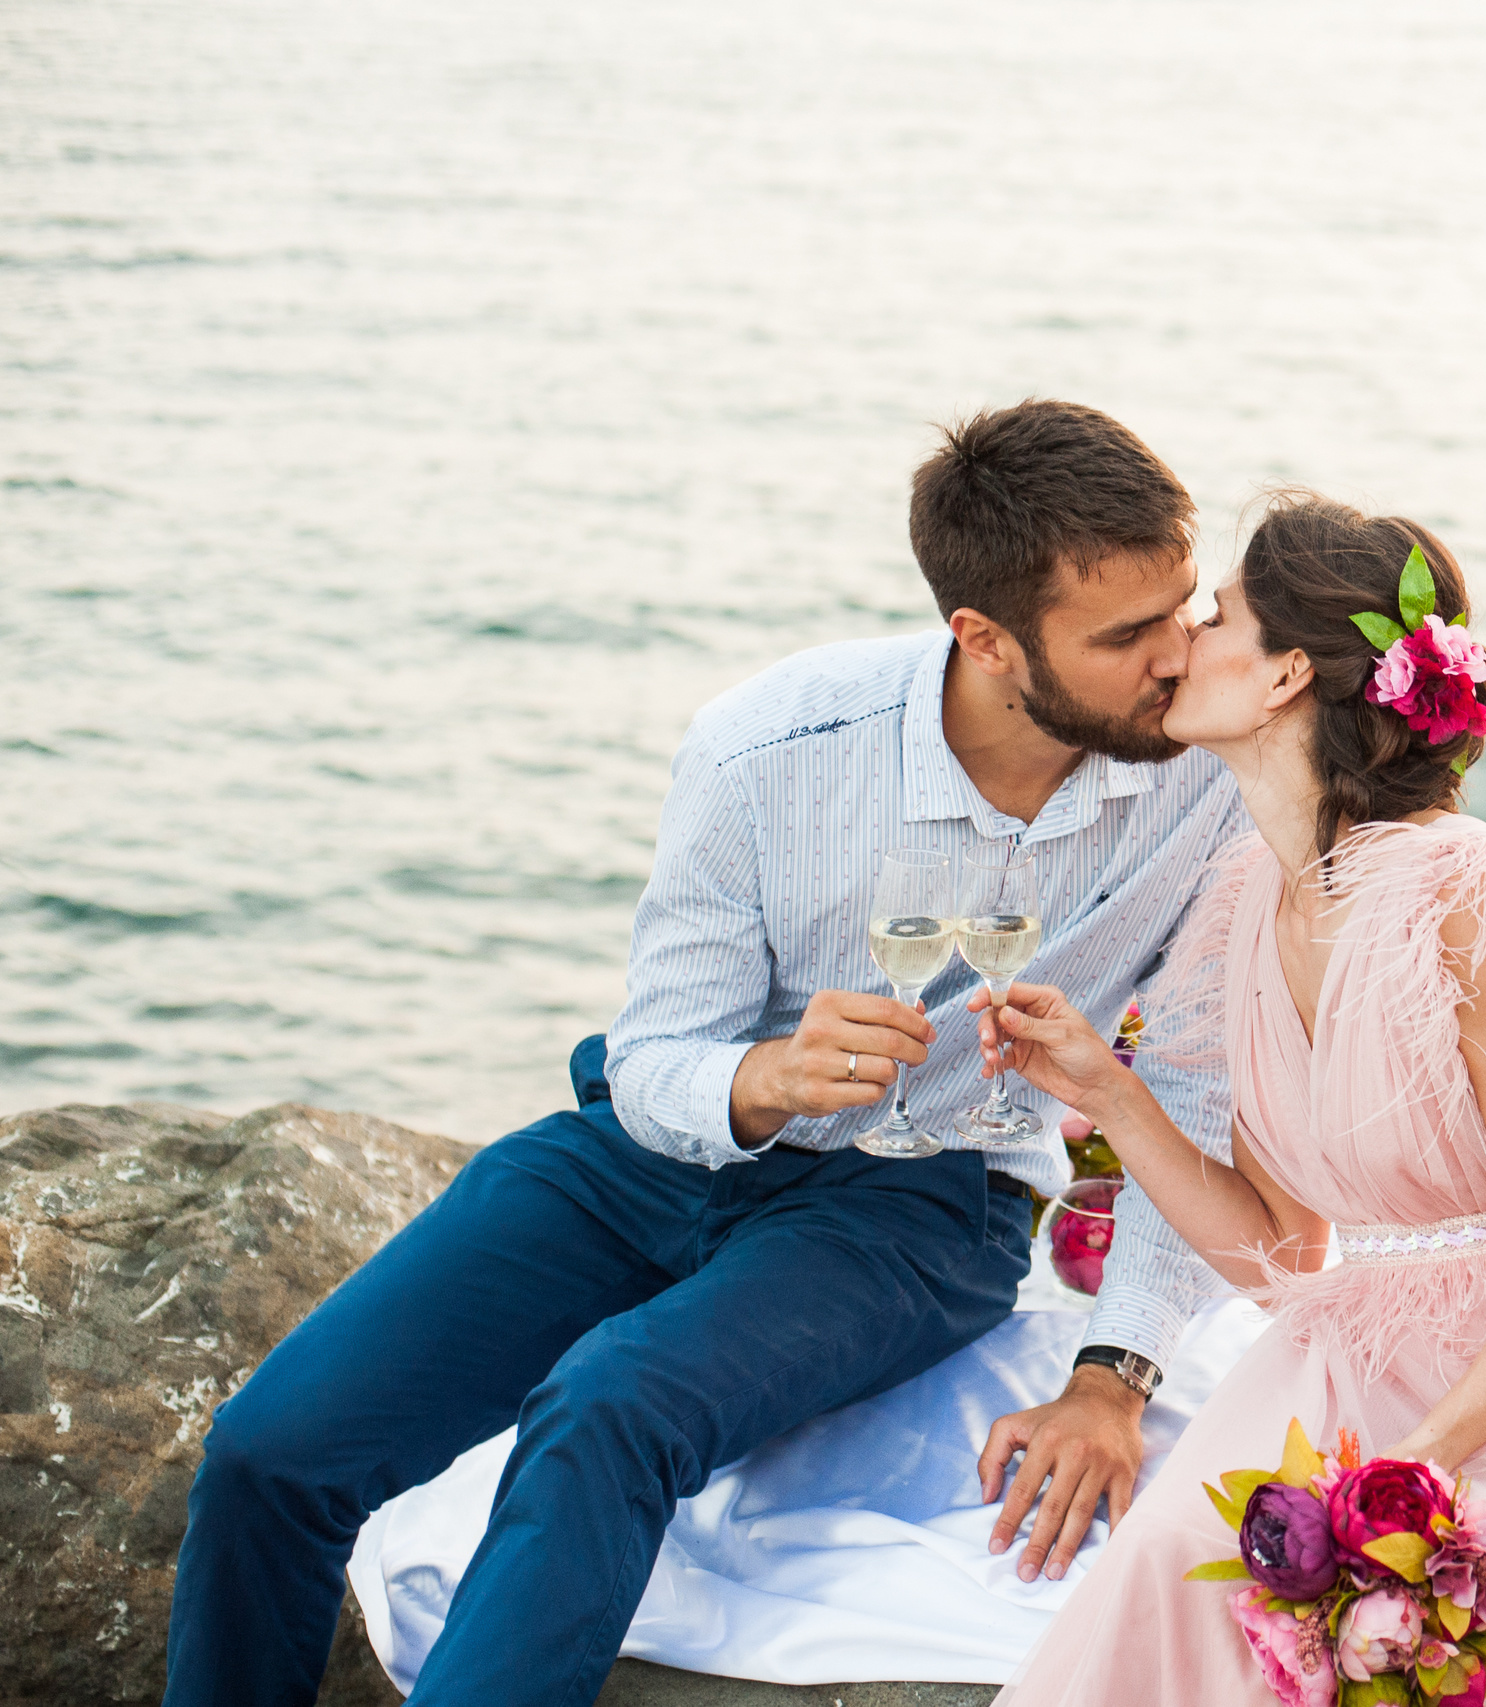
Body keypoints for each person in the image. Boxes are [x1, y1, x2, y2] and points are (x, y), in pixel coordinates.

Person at [163, 401, 1249, 1707]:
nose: (1178, 657)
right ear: (985, 639)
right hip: (653, 1152)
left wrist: (1112, 1376)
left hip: (922, 1199)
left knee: (611, 1403)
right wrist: (760, 1076)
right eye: (1129, 634)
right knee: (270, 1452)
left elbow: (1195, 1095)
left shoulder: (1212, 782)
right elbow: (660, 1047)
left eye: (1185, 607)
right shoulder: (767, 749)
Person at [976, 495, 1486, 1704]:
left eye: (1213, 614)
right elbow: (1286, 1249)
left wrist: (1403, 1479)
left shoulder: (1470, 896)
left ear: (1287, 670)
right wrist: (1108, 1093)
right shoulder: (1245, 903)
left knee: (1408, 1614)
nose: (1179, 642)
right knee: (1181, 1564)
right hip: (1364, 1351)